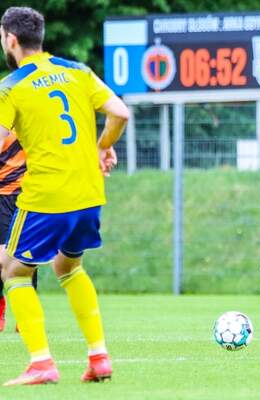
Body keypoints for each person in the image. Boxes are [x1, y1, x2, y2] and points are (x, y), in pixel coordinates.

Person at [0, 7, 129, 385]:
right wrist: (103, 146)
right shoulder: (78, 71)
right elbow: (120, 113)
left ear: (11, 39)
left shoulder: (11, 86)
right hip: (89, 193)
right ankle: (99, 357)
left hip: (45, 195)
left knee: (13, 271)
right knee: (69, 268)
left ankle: (41, 362)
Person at [0, 132, 38, 332]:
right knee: (1, 259)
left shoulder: (31, 122)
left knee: (29, 256)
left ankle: (26, 315)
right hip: (2, 196)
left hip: (29, 195)